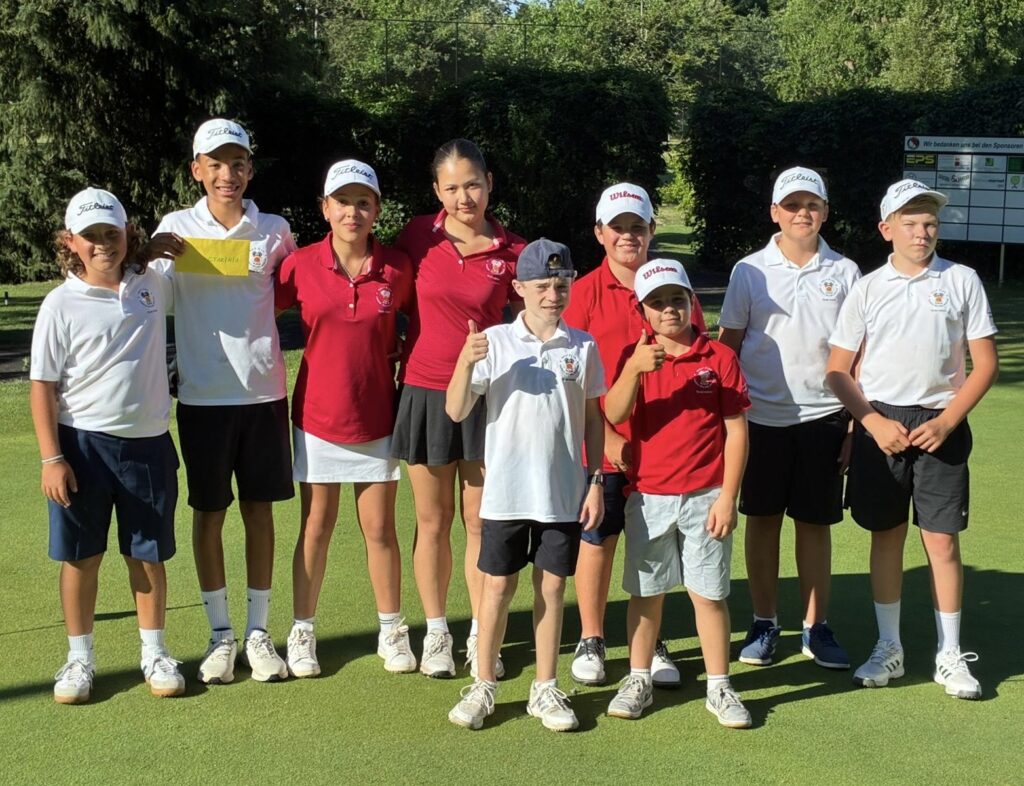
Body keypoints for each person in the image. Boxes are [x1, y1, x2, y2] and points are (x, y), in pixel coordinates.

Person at [826, 179, 998, 699]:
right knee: (886, 536)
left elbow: (984, 364)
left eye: (930, 223)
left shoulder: (962, 279)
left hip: (942, 424)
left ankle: (950, 653)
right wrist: (871, 422)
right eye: (910, 223)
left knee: (942, 541)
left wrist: (948, 421)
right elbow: (838, 370)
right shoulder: (867, 288)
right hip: (882, 426)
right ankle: (889, 647)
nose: (922, 232)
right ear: (886, 229)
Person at [146, 119, 297, 683]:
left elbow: (294, 291)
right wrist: (146, 255)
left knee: (259, 511)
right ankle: (220, 635)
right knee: (209, 514)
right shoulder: (175, 228)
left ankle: (258, 632)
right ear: (197, 170)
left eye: (237, 164)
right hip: (203, 398)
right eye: (215, 164)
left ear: (249, 169)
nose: (226, 174)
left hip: (263, 394)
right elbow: (150, 298)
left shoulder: (275, 229)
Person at [444, 238, 605, 732]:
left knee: (552, 588)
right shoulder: (494, 341)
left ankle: (545, 687)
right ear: (519, 288)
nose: (553, 295)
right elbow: (456, 410)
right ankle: (484, 684)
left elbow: (593, 420)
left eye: (562, 285)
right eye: (542, 286)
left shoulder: (583, 345)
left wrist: (596, 481)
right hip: (506, 492)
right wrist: (465, 362)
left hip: (563, 493)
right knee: (497, 588)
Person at [31, 188, 184, 703]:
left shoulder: (151, 283)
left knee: (147, 556)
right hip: (81, 447)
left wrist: (152, 252)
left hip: (148, 445)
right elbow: (43, 386)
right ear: (70, 242)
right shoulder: (59, 303)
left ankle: (154, 652)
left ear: (127, 234)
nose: (102, 244)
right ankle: (79, 658)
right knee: (81, 557)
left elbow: (174, 257)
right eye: (90, 236)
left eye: (111, 233)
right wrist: (52, 458)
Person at [274, 160, 415, 677]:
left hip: (377, 416)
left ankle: (392, 630)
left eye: (363, 202)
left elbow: (426, 320)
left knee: (380, 529)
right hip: (317, 415)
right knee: (316, 526)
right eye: (342, 202)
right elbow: (254, 314)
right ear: (325, 209)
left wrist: (406, 348)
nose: (352, 212)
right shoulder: (298, 265)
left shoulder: (397, 268)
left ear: (376, 210)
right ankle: (302, 631)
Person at [391, 139, 526, 678]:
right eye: (451, 188)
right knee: (433, 520)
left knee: (479, 520)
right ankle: (436, 633)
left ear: (489, 183)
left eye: (472, 184)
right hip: (425, 392)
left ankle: (479, 633)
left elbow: (531, 326)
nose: (463, 197)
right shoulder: (416, 236)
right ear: (436, 191)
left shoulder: (514, 251)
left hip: (486, 398)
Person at [564, 183, 707, 688]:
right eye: (618, 227)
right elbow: (572, 378)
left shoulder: (674, 289)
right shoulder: (583, 293)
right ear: (600, 233)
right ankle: (592, 637)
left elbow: (697, 356)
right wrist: (605, 438)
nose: (628, 236)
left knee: (654, 545)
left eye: (637, 227)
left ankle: (652, 639)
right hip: (602, 444)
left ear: (651, 230)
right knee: (598, 538)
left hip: (664, 448)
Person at [718, 166, 861, 670]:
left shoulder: (846, 272)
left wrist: (853, 424)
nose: (803, 213)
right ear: (775, 212)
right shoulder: (749, 270)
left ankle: (815, 628)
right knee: (762, 522)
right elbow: (728, 346)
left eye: (812, 205)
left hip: (824, 417)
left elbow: (855, 355)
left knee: (815, 525)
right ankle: (764, 622)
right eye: (793, 205)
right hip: (760, 419)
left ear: (825, 212)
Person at [603, 258, 752, 728]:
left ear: (692, 302)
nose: (669, 309)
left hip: (707, 497)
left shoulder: (719, 358)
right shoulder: (635, 356)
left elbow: (736, 431)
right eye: (657, 302)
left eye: (677, 299)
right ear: (642, 311)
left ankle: (719, 686)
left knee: (708, 595)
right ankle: (639, 678)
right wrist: (634, 370)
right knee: (646, 594)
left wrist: (728, 496)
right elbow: (613, 412)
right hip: (649, 497)